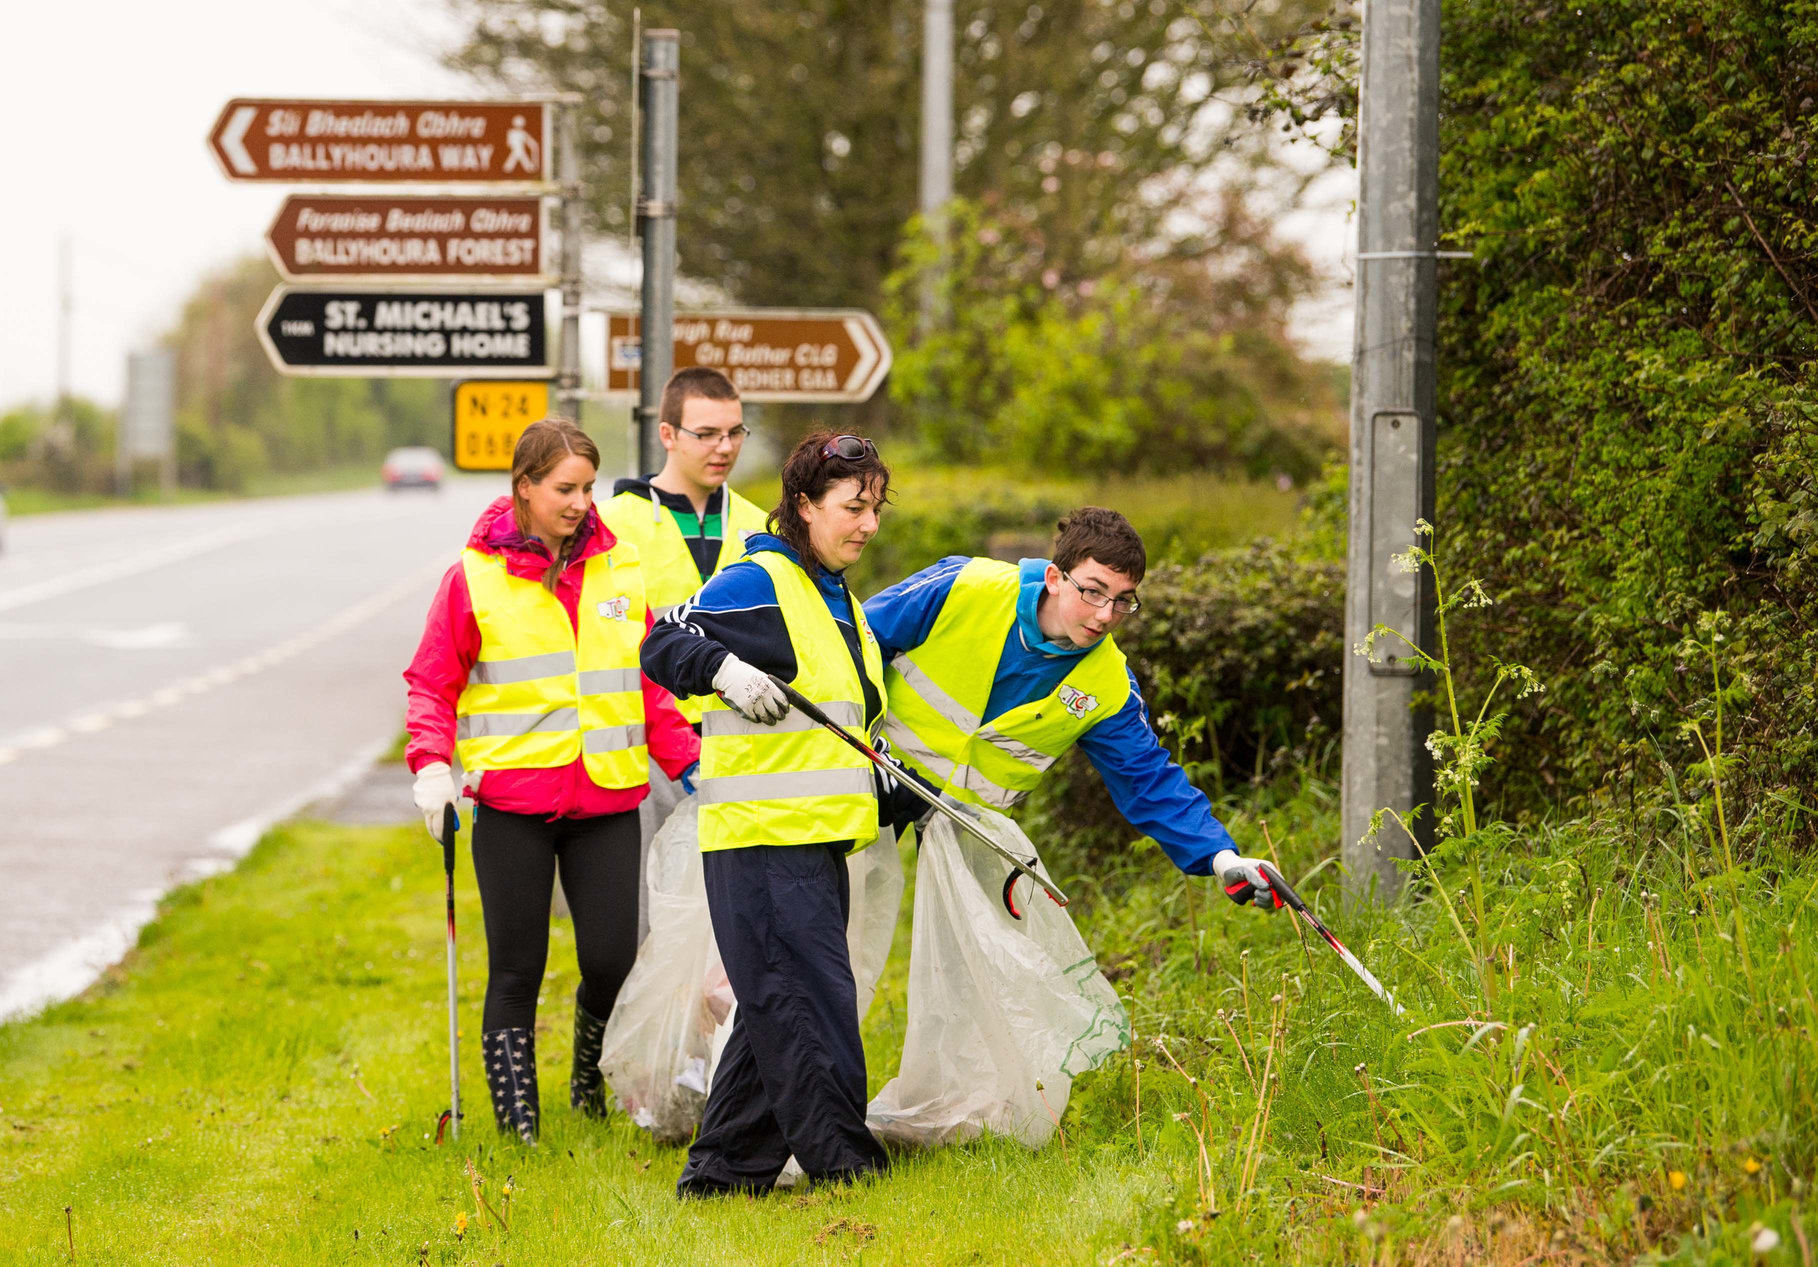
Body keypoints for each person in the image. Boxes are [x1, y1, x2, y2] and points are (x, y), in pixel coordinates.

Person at [403, 419, 700, 1144]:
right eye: (564, 488)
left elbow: (647, 686)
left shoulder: (619, 568)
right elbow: (431, 685)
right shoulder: (471, 577)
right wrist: (432, 767)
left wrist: (693, 766)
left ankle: (586, 1079)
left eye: (588, 487)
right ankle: (520, 1124)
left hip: (605, 800)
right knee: (517, 965)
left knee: (610, 958)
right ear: (524, 488)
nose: (579, 502)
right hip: (513, 806)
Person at [640, 431, 916, 1196]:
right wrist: (723, 669)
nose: (868, 524)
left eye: (875, 508)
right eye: (853, 507)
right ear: (804, 504)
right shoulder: (759, 581)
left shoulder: (838, 599)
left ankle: (723, 1170)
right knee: (812, 1004)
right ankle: (847, 1164)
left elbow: (833, 730)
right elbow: (664, 641)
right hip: (762, 844)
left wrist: (899, 789)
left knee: (776, 1010)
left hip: (816, 841)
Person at [861, 506, 1286, 913]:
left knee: (975, 969)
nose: (1105, 615)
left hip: (967, 827)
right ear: (1054, 578)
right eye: (1093, 591)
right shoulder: (967, 585)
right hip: (869, 767)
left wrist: (1223, 858)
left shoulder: (1108, 686)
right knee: (832, 944)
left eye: (1123, 600)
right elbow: (856, 639)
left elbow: (1148, 780)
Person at [603, 367, 770, 714]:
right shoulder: (608, 523)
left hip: (740, 743)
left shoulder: (761, 526)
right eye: (707, 434)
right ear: (668, 434)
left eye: (735, 432)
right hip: (647, 740)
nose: (725, 447)